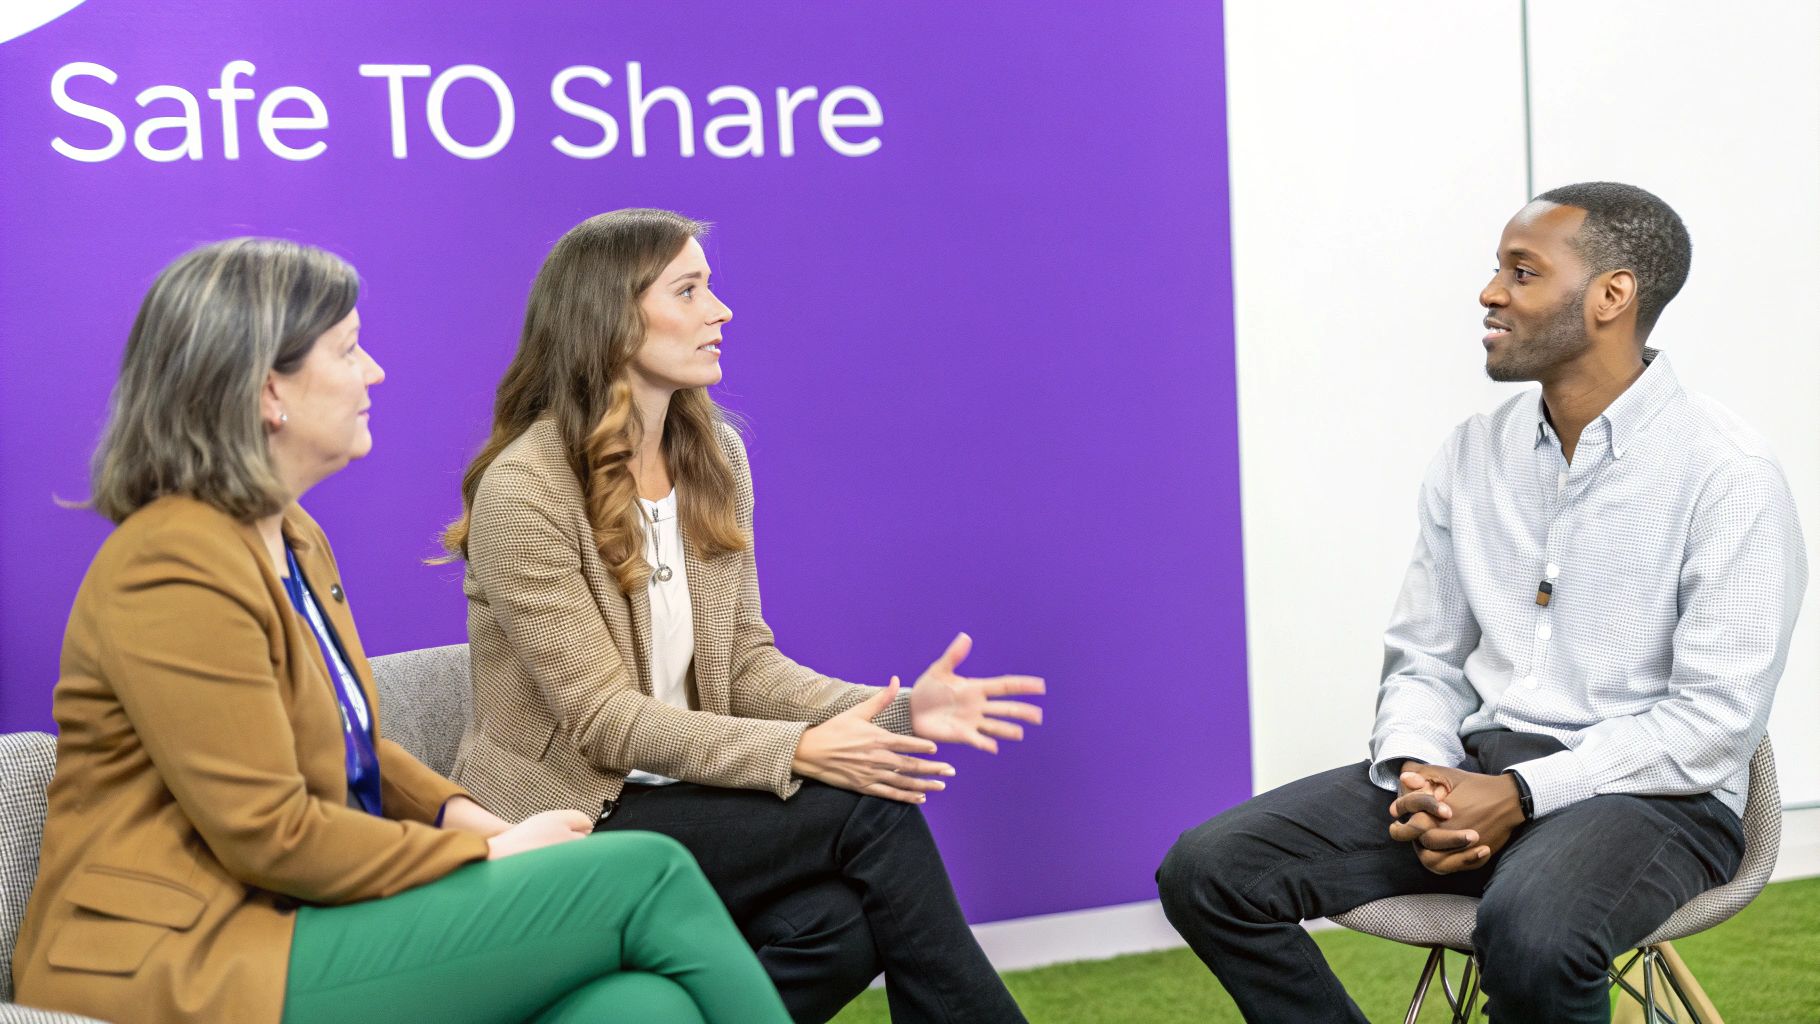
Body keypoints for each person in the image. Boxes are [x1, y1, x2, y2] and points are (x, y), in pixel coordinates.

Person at [13, 238, 791, 1024]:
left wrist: (472, 817)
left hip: (295, 920)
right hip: (178, 956)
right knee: (648, 871)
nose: (375, 371)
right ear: (266, 390)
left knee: (637, 1006)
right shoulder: (169, 567)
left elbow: (342, 738)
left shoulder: (293, 537)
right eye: (348, 350)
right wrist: (485, 855)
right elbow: (269, 835)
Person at [1157, 182, 1807, 1023]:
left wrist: (1523, 795)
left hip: (1655, 801)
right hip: (1476, 770)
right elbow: (1426, 655)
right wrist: (1422, 770)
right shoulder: (1474, 453)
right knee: (1210, 870)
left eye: (1523, 271)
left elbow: (1716, 721)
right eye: (1498, 269)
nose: (1490, 293)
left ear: (1613, 296)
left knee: (1533, 934)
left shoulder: (1729, 475)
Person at [443, 208, 1046, 1024]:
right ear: (611, 318)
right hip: (577, 811)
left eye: (710, 288)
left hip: (689, 789)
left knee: (833, 930)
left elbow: (745, 663)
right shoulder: (526, 489)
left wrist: (904, 710)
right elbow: (604, 722)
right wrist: (799, 750)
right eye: (688, 291)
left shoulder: (713, 457)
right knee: (871, 804)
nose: (719, 311)